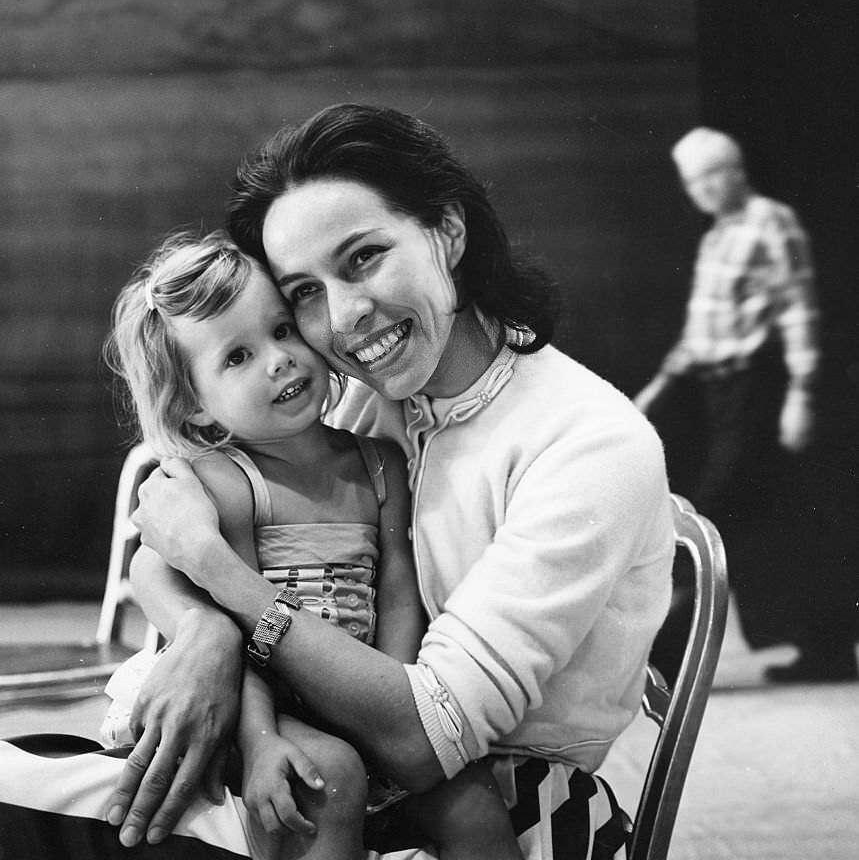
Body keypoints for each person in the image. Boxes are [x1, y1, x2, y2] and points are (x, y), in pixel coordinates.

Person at [0, 104, 676, 860]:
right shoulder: (365, 388)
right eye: (304, 294)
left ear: (448, 233)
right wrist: (205, 631)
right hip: (303, 740)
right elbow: (168, 518)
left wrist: (227, 594)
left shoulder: (586, 442)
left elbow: (424, 742)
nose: (343, 319)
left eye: (362, 258)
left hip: (454, 789)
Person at [100, 227, 524, 860]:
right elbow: (239, 631)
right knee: (330, 777)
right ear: (198, 411)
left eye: (281, 329)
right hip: (255, 701)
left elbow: (399, 592)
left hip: (349, 686)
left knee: (469, 797)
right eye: (236, 357)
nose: (278, 359)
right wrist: (263, 738)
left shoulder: (380, 463)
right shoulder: (229, 484)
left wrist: (388, 701)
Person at [636, 126, 857, 684]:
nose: (704, 189)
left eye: (712, 175)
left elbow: (798, 308)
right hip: (717, 392)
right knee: (770, 519)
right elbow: (701, 330)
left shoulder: (769, 222)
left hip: (763, 387)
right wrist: (659, 386)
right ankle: (820, 650)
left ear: (737, 171)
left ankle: (655, 658)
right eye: (693, 182)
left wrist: (801, 397)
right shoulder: (717, 237)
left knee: (713, 509)